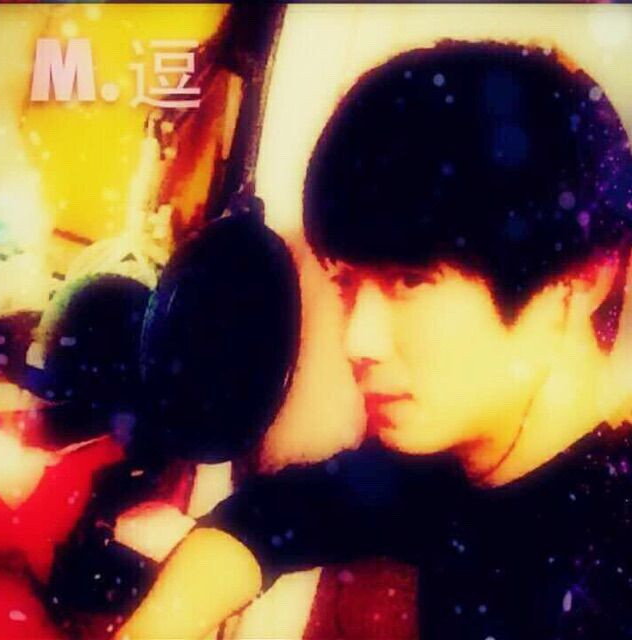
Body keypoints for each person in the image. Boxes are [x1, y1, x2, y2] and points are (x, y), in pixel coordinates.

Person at [117, 40, 632, 640]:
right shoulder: (452, 466)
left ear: (579, 280)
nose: (358, 340)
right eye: (346, 283)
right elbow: (269, 519)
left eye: (411, 280)